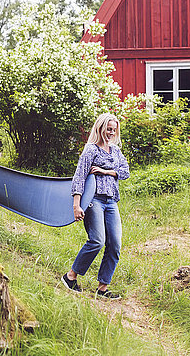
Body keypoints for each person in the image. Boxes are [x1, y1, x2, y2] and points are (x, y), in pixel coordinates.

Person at [61, 113, 130, 299]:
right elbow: (79, 176)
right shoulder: (90, 150)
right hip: (94, 201)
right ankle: (70, 277)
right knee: (97, 240)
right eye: (108, 129)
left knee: (115, 244)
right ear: (100, 128)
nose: (111, 133)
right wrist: (77, 205)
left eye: (114, 130)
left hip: (111, 202)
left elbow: (125, 172)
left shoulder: (115, 151)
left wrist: (105, 171)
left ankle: (102, 289)